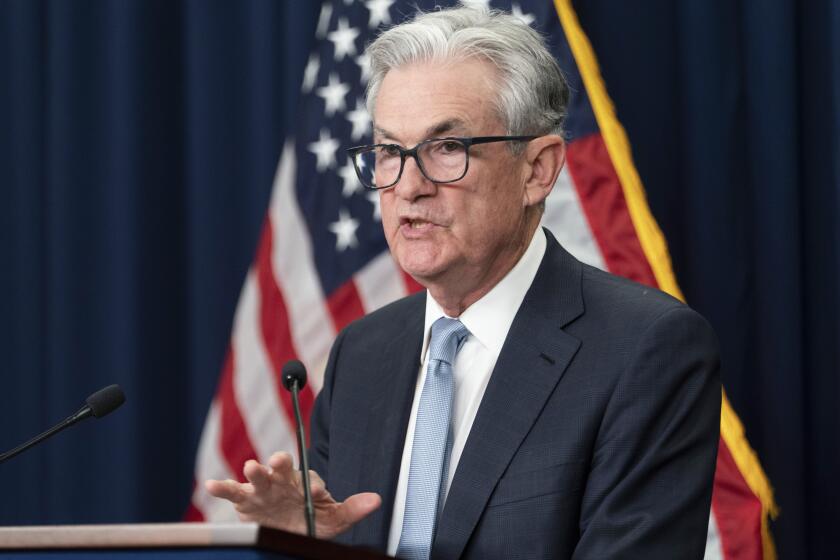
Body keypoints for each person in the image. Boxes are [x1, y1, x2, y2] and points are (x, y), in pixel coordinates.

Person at [207, 6, 721, 559]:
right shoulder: (363, 353)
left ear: (537, 170)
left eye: (447, 148)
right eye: (389, 153)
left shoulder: (646, 350)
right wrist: (301, 547)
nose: (409, 188)